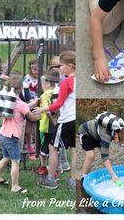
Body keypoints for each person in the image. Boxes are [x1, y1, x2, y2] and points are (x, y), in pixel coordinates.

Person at [0, 74, 39, 193]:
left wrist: (32, 104)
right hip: (12, 137)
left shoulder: (8, 102)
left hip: (3, 134)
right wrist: (39, 115)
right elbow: (31, 117)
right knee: (15, 161)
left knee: (6, 157)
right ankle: (15, 186)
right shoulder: (21, 104)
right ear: (21, 89)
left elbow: (22, 107)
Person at [35, 51, 76, 189]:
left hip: (66, 120)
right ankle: (74, 181)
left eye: (62, 65)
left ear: (70, 66)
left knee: (53, 147)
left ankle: (50, 180)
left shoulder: (67, 82)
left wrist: (42, 109)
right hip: (76, 119)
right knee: (74, 150)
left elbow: (58, 104)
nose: (60, 68)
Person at [78, 112, 124, 187]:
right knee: (91, 155)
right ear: (116, 137)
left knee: (106, 154)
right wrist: (113, 175)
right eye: (120, 144)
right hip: (85, 132)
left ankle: (107, 170)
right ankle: (83, 178)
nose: (119, 145)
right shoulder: (106, 135)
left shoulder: (118, 130)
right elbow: (104, 157)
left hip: (97, 135)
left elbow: (105, 153)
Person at [36, 69, 60, 176]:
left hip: (49, 125)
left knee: (47, 147)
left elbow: (48, 110)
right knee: (52, 147)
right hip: (53, 125)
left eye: (43, 83)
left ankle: (45, 166)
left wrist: (53, 122)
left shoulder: (47, 94)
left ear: (47, 84)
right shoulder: (56, 92)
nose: (42, 85)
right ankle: (45, 167)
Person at [23, 59, 39, 160]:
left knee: (37, 129)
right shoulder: (26, 78)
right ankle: (29, 146)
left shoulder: (42, 78)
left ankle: (37, 147)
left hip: (38, 105)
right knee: (28, 130)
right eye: (34, 69)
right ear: (30, 69)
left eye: (38, 69)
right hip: (29, 105)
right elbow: (24, 91)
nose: (36, 71)